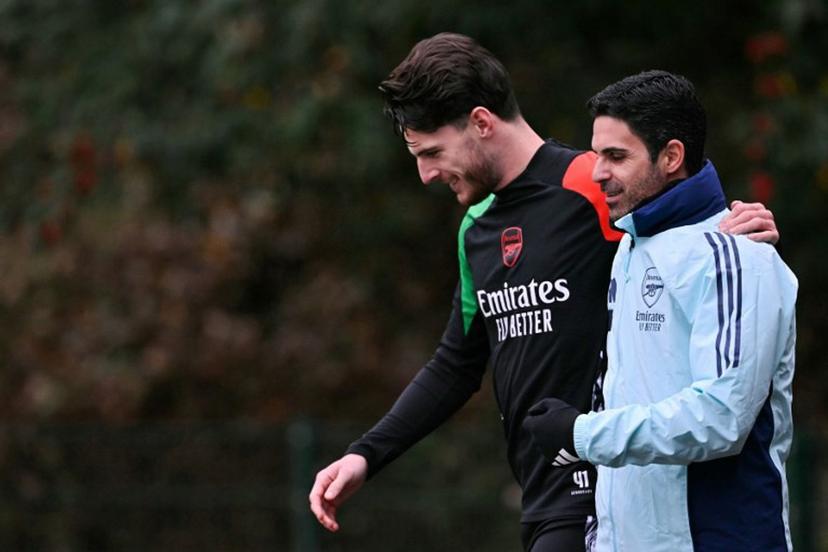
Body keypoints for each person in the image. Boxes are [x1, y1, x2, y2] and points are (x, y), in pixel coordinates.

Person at [309, 34, 779, 552]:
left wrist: (735, 225)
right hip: (539, 495)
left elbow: (676, 215)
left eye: (433, 152)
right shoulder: (476, 230)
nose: (425, 174)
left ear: (482, 123)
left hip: (598, 489)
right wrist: (366, 454)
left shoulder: (590, 184)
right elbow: (455, 364)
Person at [523, 70, 797, 551]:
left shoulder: (738, 254)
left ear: (671, 156)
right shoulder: (630, 250)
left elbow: (720, 417)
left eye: (616, 156)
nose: (597, 172)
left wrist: (582, 432)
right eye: (596, 155)